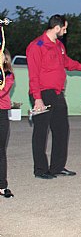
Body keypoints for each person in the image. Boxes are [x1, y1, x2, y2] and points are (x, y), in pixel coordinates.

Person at [26, 14, 81, 179]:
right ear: (57, 28)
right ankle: (40, 169)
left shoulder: (58, 45)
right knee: (41, 132)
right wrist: (37, 98)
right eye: (64, 28)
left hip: (57, 93)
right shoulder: (37, 45)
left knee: (62, 130)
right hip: (42, 93)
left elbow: (67, 63)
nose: (65, 32)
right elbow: (33, 75)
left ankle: (57, 167)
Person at [0, 50, 15, 197]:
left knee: (0, 150)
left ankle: (2, 185)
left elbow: (2, 91)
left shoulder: (8, 76)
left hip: (1, 114)